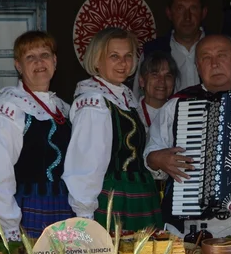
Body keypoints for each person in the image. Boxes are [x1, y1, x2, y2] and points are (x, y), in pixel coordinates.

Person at [145, 34, 231, 238]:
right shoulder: (178, 105)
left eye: (221, 55)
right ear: (197, 66)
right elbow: (151, 154)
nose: (215, 63)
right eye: (206, 58)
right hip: (189, 227)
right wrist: (157, 159)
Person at [65, 27, 161, 232]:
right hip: (113, 201)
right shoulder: (94, 103)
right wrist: (85, 219)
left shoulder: (124, 96)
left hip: (139, 197)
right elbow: (84, 167)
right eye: (114, 56)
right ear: (97, 60)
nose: (123, 63)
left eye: (127, 56)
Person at [0, 30, 73, 240]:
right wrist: (9, 226)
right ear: (18, 66)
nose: (39, 62)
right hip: (27, 208)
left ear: (55, 61)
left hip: (63, 207)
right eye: (30, 57)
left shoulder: (63, 108)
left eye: (45, 55)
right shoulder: (10, 107)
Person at [139, 0, 207, 92]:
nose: (187, 17)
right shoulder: (152, 51)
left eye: (193, 8)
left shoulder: (222, 50)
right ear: (169, 13)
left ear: (203, 13)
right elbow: (139, 101)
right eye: (180, 9)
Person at [137, 50, 178, 129]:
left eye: (168, 76)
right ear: (142, 81)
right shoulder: (132, 115)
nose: (162, 80)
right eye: (155, 75)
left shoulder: (181, 113)